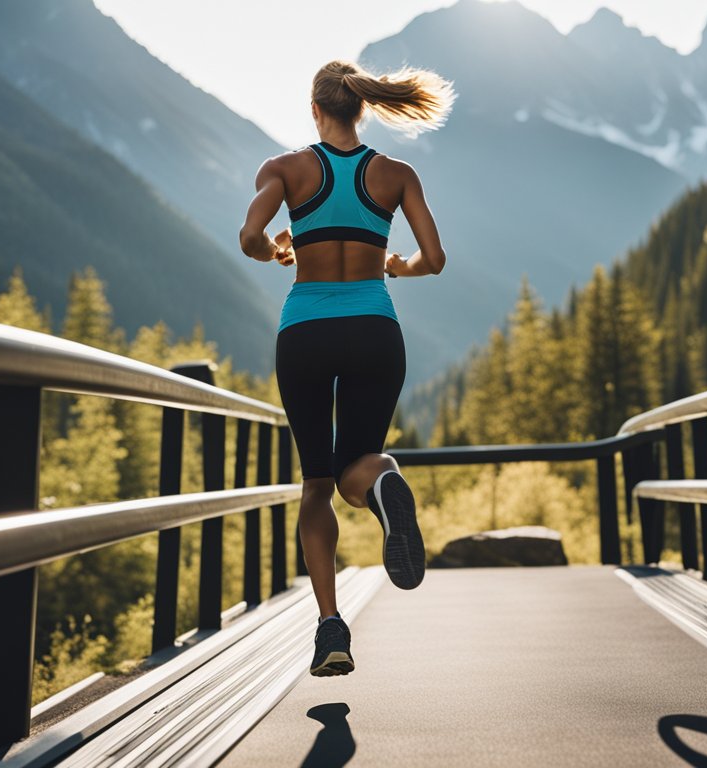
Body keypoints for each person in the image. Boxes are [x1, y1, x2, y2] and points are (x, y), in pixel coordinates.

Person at [239, 60, 453, 677]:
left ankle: (331, 626)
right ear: (362, 109)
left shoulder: (284, 170)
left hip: (304, 331)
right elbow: (434, 260)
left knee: (315, 484)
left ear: (315, 110)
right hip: (374, 331)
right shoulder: (395, 174)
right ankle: (382, 481)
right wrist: (393, 266)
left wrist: (279, 248)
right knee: (357, 464)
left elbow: (251, 235)